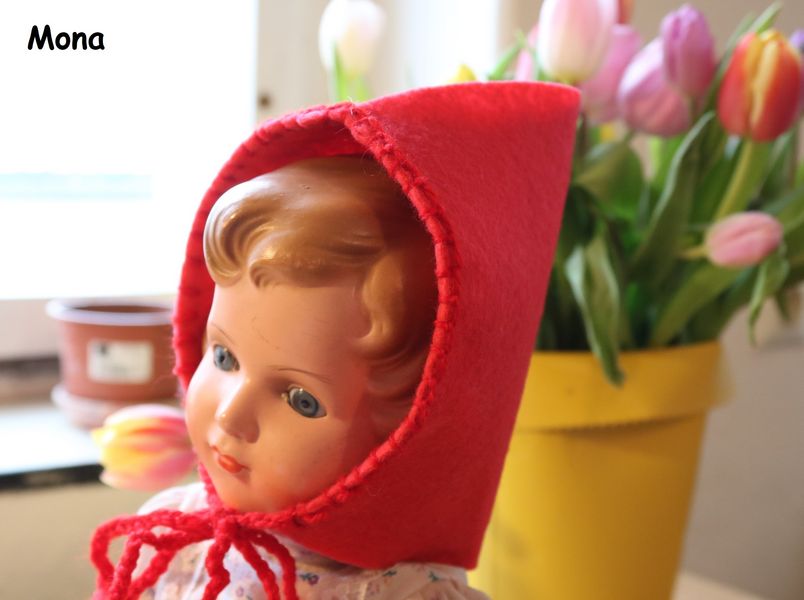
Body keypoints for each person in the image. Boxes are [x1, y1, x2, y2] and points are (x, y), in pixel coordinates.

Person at [90, 82, 580, 600]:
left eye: (301, 400)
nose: (232, 416)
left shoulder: (405, 594)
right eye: (225, 355)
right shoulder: (175, 541)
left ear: (406, 441)